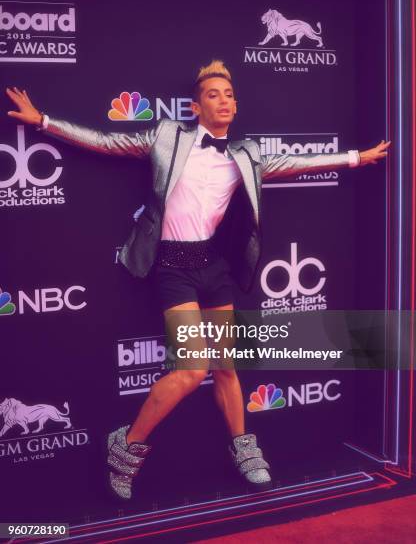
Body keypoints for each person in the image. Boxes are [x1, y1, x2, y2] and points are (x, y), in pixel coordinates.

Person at [6, 60, 390, 500]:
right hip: (173, 267)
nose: (224, 101)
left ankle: (245, 449)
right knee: (192, 370)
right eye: (213, 95)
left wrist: (356, 157)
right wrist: (45, 122)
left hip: (215, 266)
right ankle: (126, 445)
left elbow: (299, 163)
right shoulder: (168, 135)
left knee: (226, 366)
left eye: (229, 95)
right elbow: (109, 142)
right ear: (195, 106)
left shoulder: (246, 154)